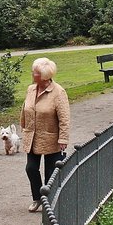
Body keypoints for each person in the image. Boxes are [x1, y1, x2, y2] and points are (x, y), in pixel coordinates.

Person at [20, 57, 70, 212]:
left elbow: (64, 118)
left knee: (50, 172)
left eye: (34, 72)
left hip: (51, 137)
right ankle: (37, 198)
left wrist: (63, 138)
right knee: (31, 168)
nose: (32, 74)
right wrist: (23, 125)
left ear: (44, 76)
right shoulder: (31, 89)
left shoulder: (58, 92)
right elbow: (25, 109)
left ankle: (49, 200)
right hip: (32, 136)